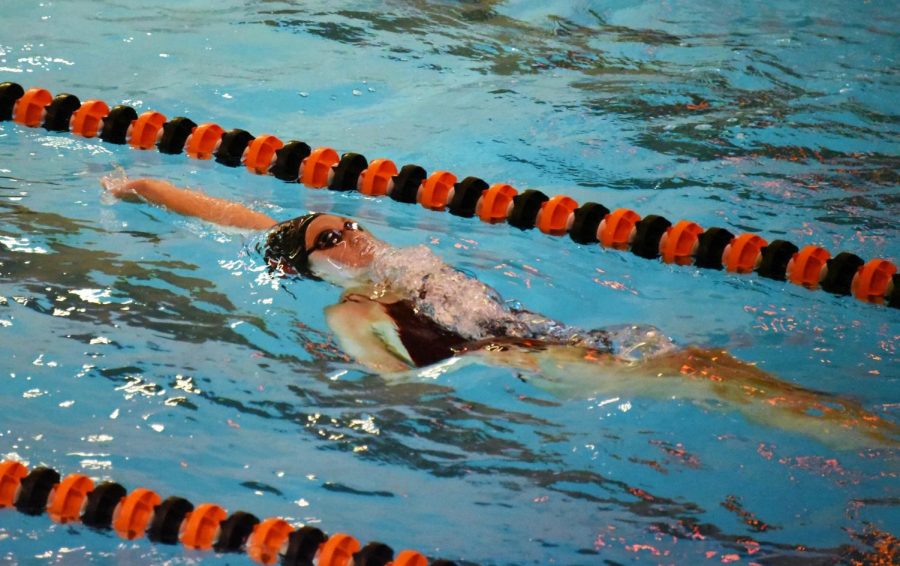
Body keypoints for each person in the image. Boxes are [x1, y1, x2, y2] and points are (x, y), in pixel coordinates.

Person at [100, 174, 899, 448]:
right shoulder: (349, 313)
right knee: (718, 383)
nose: (352, 232)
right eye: (333, 237)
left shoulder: (398, 267)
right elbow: (389, 384)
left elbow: (253, 221)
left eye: (348, 221)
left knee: (722, 371)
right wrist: (475, 366)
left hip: (569, 341)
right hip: (540, 366)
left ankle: (866, 432)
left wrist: (146, 188)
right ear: (314, 266)